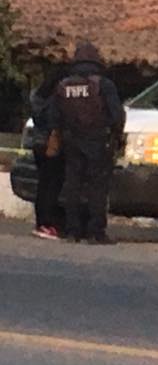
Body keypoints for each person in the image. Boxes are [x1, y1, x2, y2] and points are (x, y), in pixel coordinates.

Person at [52, 42, 125, 244]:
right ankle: (96, 232)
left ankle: (73, 230)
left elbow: (54, 115)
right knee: (98, 188)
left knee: (73, 186)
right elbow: (117, 115)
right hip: (98, 141)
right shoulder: (103, 84)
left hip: (71, 142)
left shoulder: (63, 85)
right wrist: (116, 136)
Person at [28, 75, 66, 239]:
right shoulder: (54, 101)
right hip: (51, 143)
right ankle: (48, 223)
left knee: (43, 185)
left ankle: (41, 223)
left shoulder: (37, 97)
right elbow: (54, 122)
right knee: (52, 185)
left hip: (37, 142)